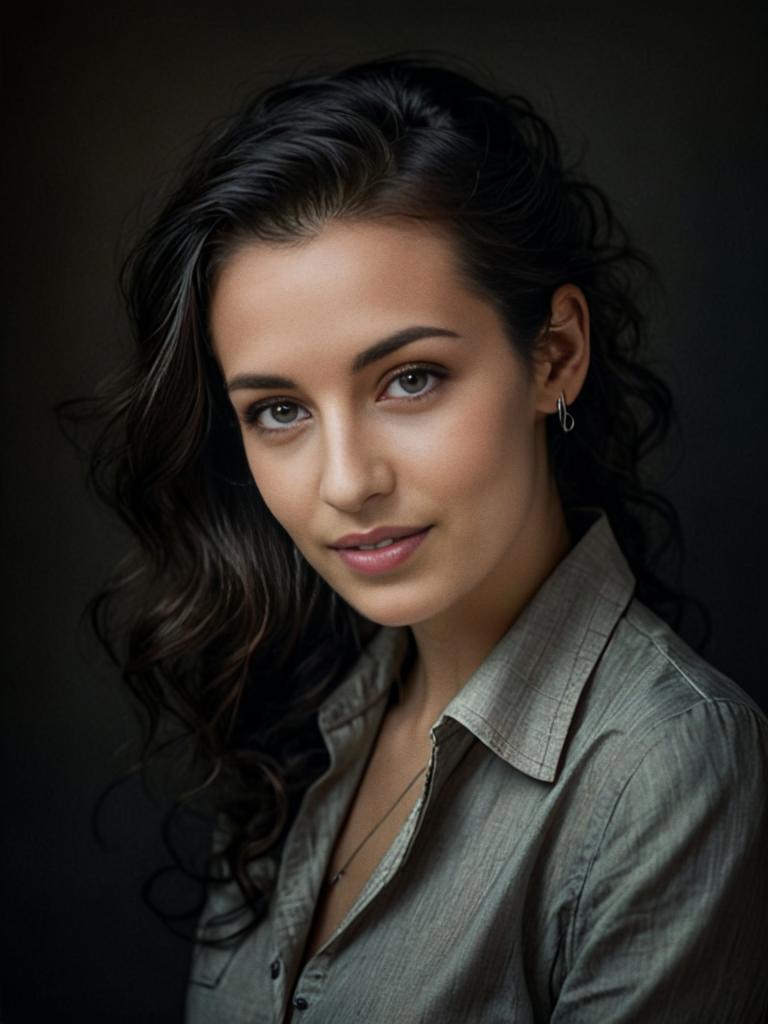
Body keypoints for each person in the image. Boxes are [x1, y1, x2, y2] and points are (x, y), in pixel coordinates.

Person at [80, 55, 768, 1022]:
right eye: (279, 409)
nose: (347, 480)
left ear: (554, 356)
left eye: (409, 379)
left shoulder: (667, 768)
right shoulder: (303, 723)